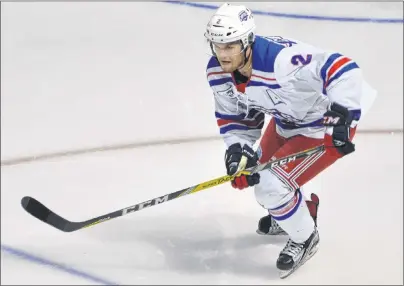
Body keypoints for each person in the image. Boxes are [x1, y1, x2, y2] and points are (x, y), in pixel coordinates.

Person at [204, 3, 377, 278]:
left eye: (230, 46)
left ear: (247, 42)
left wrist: (342, 117)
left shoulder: (281, 61)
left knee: (270, 189)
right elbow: (237, 119)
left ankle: (305, 237)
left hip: (323, 126)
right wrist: (239, 150)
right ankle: (298, 211)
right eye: (217, 45)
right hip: (287, 120)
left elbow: (342, 67)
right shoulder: (217, 72)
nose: (222, 54)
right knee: (254, 173)